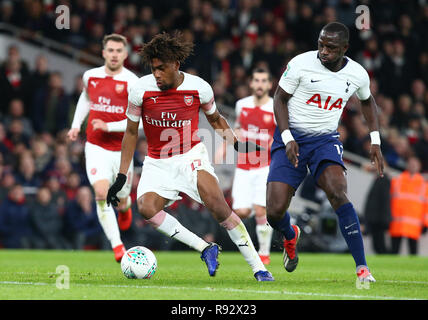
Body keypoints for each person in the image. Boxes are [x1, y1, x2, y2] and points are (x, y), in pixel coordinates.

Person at [107, 32, 273, 281]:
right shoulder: (140, 89)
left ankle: (260, 268)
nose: (157, 75)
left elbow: (216, 119)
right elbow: (131, 132)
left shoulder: (199, 88)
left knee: (219, 206)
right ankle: (205, 248)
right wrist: (122, 175)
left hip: (191, 155)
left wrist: (237, 145)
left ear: (176, 64)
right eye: (153, 69)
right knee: (146, 207)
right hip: (157, 161)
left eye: (161, 69)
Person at [266, 22, 384, 282]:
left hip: (324, 140)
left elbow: (367, 101)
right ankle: (290, 235)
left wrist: (375, 139)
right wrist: (286, 137)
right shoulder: (300, 64)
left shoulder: (357, 74)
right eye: (321, 44)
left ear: (344, 48)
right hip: (291, 137)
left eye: (330, 47)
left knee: (338, 191)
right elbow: (279, 99)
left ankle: (362, 268)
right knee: (274, 212)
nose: (323, 51)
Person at [67, 33, 139, 262]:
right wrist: (76, 125)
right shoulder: (91, 76)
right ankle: (118, 247)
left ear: (125, 54)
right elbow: (86, 98)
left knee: (122, 196)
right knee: (101, 193)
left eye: (119, 51)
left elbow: (136, 121)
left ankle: (126, 206)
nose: (115, 54)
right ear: (103, 52)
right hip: (96, 146)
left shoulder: (133, 82)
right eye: (111, 50)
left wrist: (108, 125)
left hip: (122, 150)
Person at [216, 68, 275, 265]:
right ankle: (248, 244)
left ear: (269, 85)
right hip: (243, 166)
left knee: (261, 209)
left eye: (263, 81)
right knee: (241, 212)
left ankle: (264, 253)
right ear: (251, 84)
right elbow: (238, 129)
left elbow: (278, 136)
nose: (259, 84)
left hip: (264, 166)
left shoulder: (274, 108)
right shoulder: (242, 105)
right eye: (256, 80)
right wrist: (224, 147)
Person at [389, 157, 428, 255]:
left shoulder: (424, 185)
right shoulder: (397, 181)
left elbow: (426, 206)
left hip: (414, 224)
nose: (412, 166)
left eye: (415, 164)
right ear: (407, 166)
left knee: (413, 251)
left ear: (419, 167)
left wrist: (426, 224)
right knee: (394, 250)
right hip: (396, 222)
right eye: (411, 164)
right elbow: (389, 201)